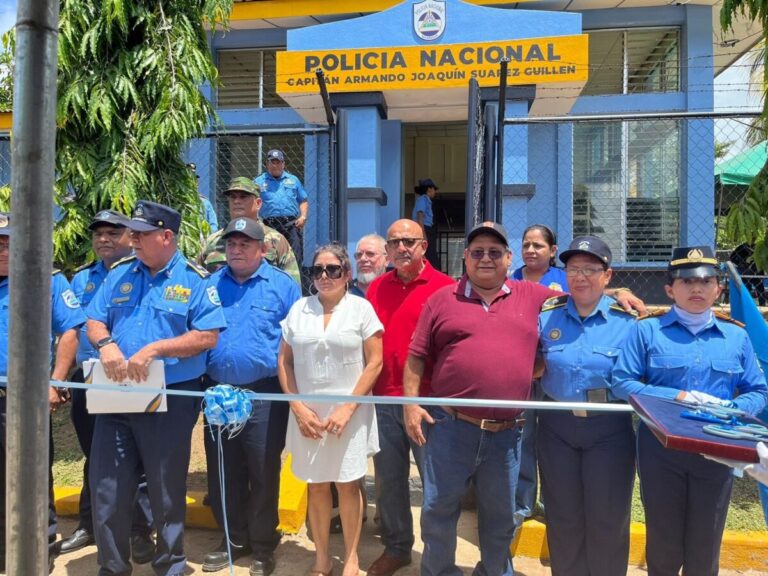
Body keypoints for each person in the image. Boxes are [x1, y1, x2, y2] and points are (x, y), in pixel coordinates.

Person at [403, 221, 564, 576]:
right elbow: (416, 356)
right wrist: (411, 405)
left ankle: (494, 572)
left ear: (509, 258)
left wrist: (618, 294)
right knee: (438, 510)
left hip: (507, 434)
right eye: (477, 252)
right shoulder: (442, 299)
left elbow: (582, 301)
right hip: (450, 427)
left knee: (500, 516)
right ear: (465, 258)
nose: (486, 259)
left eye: (495, 252)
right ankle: (439, 572)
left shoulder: (532, 295)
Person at [86, 200, 227, 576]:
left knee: (166, 490)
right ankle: (112, 567)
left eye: (140, 234)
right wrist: (106, 345)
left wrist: (156, 348)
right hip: (114, 396)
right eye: (131, 233)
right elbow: (94, 321)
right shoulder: (119, 274)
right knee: (108, 490)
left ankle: (170, 565)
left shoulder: (194, 280)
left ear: (166, 236)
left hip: (169, 399)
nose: (131, 240)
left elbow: (208, 335)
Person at [612, 245, 768, 576]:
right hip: (660, 449)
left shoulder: (736, 336)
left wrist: (732, 408)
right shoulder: (646, 331)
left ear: (719, 288)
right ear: (670, 289)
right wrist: (676, 396)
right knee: (664, 541)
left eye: (705, 281)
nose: (696, 289)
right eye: (686, 282)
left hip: (717, 449)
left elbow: (758, 390)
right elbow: (623, 383)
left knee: (706, 541)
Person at [202, 217, 300, 576]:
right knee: (223, 470)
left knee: (262, 470)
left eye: (245, 244)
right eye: (231, 244)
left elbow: (295, 343)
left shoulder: (283, 287)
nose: (237, 249)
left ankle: (262, 544)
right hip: (218, 393)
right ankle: (231, 539)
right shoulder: (209, 285)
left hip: (265, 394)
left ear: (262, 249)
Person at [278, 244, 383, 576]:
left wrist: (348, 407)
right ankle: (322, 556)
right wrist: (296, 406)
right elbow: (285, 361)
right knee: (316, 484)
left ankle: (351, 556)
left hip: (349, 413)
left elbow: (375, 361)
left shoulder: (361, 310)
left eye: (332, 269)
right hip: (307, 414)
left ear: (347, 274)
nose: (324, 276)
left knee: (348, 485)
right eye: (317, 270)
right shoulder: (299, 309)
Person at [536, 235, 636, 576]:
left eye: (590, 269)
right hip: (556, 427)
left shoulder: (628, 322)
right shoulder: (546, 317)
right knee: (562, 516)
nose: (580, 276)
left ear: (607, 275)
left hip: (608, 429)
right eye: (574, 268)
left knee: (607, 515)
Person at [61, 210, 155, 561]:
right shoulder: (82, 278)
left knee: (136, 459)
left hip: (127, 379)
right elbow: (70, 328)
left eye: (112, 233)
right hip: (87, 379)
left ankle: (139, 530)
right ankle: (89, 526)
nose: (103, 239)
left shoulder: (143, 272)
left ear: (129, 236)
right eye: (98, 233)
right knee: (94, 457)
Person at [364, 219, 455, 576]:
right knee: (389, 481)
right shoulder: (375, 290)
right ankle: (397, 547)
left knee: (437, 485)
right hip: (384, 400)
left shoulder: (446, 288)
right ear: (386, 250)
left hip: (429, 402)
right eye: (394, 242)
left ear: (424, 245)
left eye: (409, 241)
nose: (401, 248)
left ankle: (436, 556)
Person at [0, 212, 86, 571]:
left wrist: (56, 381)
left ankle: (41, 544)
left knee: (32, 473)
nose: (3, 249)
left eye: (8, 242)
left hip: (23, 396)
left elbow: (70, 330)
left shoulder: (46, 281)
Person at [511, 224, 567, 531]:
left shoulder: (563, 280)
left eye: (538, 246)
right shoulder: (511, 280)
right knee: (524, 438)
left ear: (552, 251)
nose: (531, 250)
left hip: (555, 373)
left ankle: (552, 502)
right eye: (526, 245)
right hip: (520, 372)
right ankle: (523, 503)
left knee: (555, 438)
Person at [199, 177, 300, 284]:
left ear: (258, 203)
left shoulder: (276, 240)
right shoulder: (212, 241)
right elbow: (196, 282)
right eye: (232, 197)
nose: (237, 201)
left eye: (243, 197)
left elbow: (293, 284)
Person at [255, 149, 309, 266]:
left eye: (278, 162)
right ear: (267, 164)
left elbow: (303, 200)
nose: (275, 165)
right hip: (269, 226)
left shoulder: (293, 180)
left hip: (291, 224)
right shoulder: (258, 182)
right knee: (268, 259)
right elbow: (252, 202)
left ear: (283, 164)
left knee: (295, 257)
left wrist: (303, 216)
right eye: (272, 162)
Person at [412, 179, 440, 270]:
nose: (435, 192)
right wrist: (423, 234)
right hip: (425, 229)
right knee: (430, 255)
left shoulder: (426, 200)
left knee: (431, 254)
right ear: (429, 189)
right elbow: (420, 216)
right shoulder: (423, 199)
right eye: (434, 189)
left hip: (427, 229)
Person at [187, 163, 219, 233]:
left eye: (194, 180)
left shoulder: (205, 203)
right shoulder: (177, 201)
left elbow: (213, 225)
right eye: (189, 180)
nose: (192, 183)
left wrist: (206, 235)